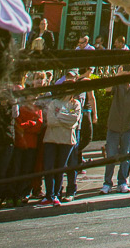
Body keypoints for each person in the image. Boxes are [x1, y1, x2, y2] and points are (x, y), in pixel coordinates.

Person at [35, 77, 83, 205]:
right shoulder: (54, 103)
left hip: (66, 140)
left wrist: (59, 116)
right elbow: (50, 120)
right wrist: (64, 118)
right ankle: (49, 194)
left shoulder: (75, 104)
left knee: (60, 168)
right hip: (51, 139)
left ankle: (56, 194)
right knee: (49, 167)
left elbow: (73, 120)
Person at [102, 67, 130, 194]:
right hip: (114, 126)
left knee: (126, 156)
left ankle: (122, 182)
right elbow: (107, 89)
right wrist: (118, 74)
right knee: (111, 156)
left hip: (128, 126)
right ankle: (107, 183)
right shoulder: (118, 84)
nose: (128, 73)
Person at [11, 75, 47, 205]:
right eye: (32, 97)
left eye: (35, 97)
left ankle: (24, 192)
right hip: (21, 143)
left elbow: (38, 127)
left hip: (32, 144)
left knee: (28, 169)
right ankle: (14, 193)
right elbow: (18, 125)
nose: (34, 99)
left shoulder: (38, 110)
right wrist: (31, 123)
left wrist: (28, 125)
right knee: (17, 169)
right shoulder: (21, 109)